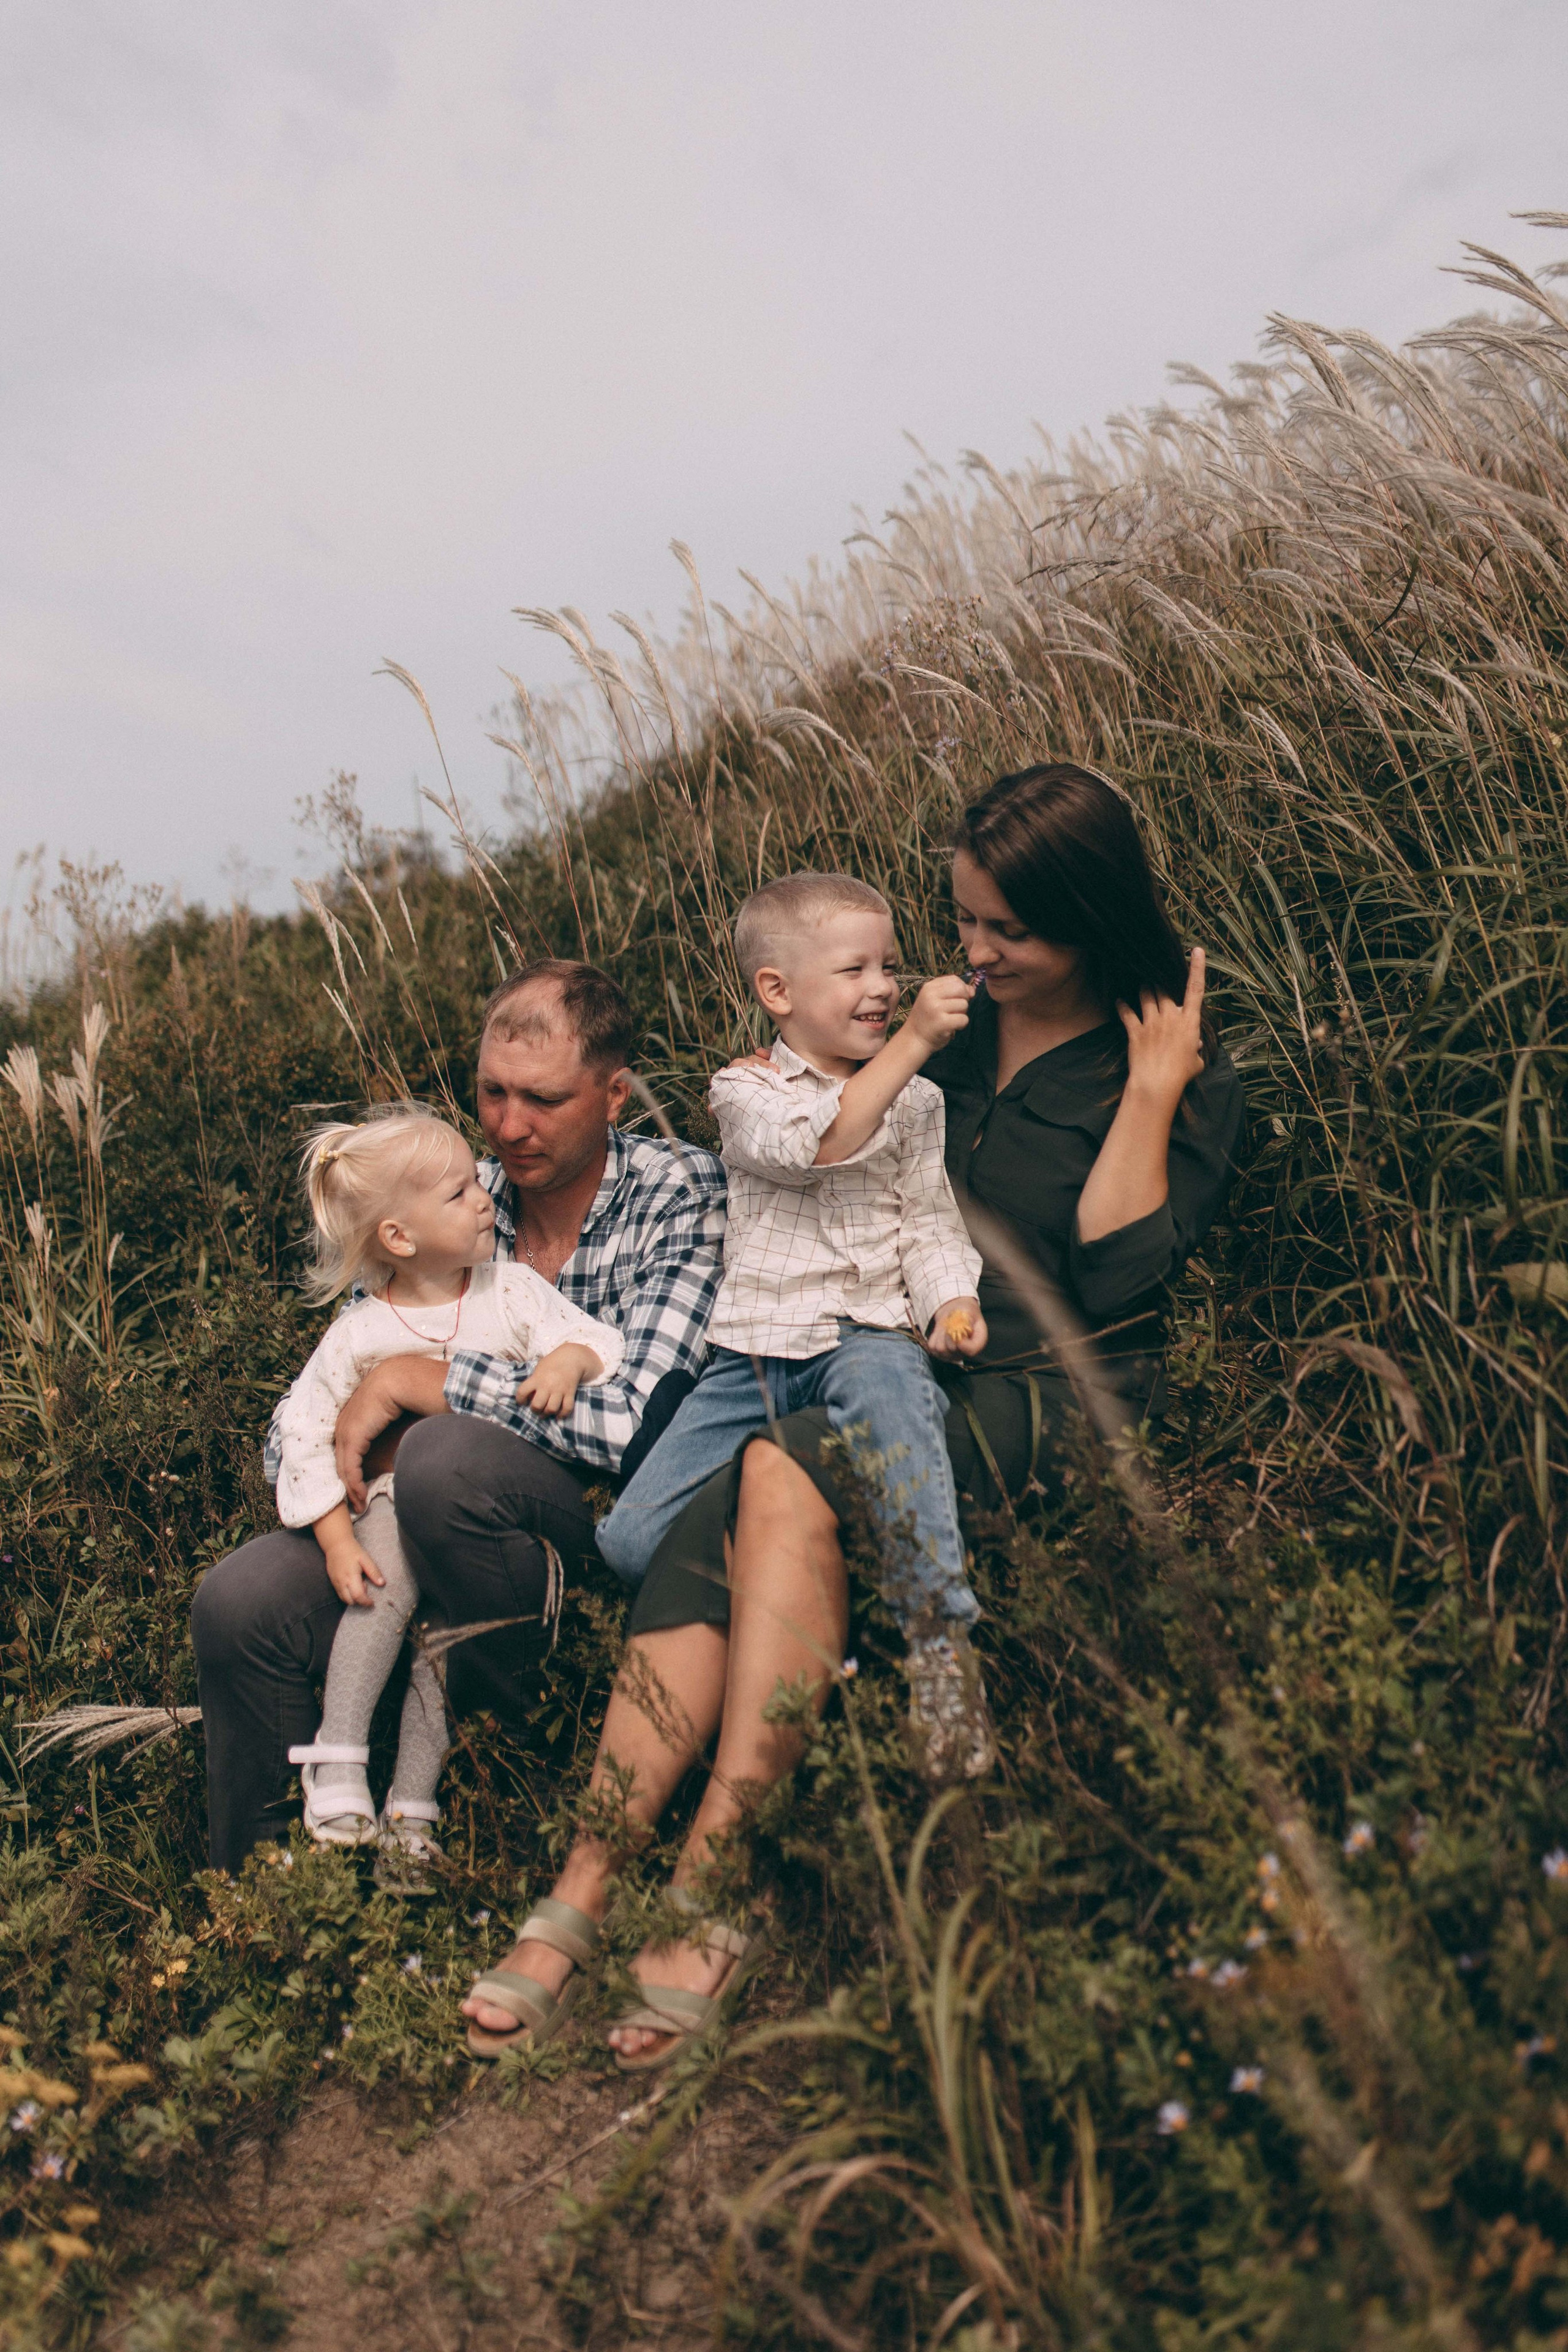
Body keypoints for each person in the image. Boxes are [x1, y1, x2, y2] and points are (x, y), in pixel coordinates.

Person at [459, 763, 1245, 2069]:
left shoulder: (1160, 1062)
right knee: (716, 1494)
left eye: (1007, 929)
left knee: (779, 1471)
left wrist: (1155, 1089)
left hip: (1043, 1391)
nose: (974, 952)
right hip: (878, 1361)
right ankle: (585, 1885)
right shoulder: (921, 1040)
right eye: (965, 921)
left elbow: (1112, 1284)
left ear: (1089, 923)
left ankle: (717, 1881)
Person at [190, 960, 726, 1873]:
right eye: (492, 1092)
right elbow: (307, 1415)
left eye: (544, 1099)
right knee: (237, 1603)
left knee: (441, 1455)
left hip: (572, 1544)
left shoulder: (680, 1194)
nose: (510, 1127)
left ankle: (495, 1818)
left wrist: (422, 1383)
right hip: (395, 1532)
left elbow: (637, 1425)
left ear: (613, 1094)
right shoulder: (445, 1196)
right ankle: (272, 1898)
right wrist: (338, 1490)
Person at [594, 872, 992, 1785]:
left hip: (870, 1336)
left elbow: (928, 1221)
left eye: (889, 967)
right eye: (854, 969)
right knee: (628, 1540)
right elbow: (823, 1144)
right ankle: (792, 1573)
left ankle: (938, 1640)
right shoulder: (745, 1090)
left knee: (900, 1414)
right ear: (778, 991)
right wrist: (919, 1043)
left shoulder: (920, 1102)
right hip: (755, 1355)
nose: (884, 989)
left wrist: (949, 1303)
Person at [270, 1106, 622, 1891]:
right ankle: (338, 1756)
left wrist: (566, 1359)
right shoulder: (359, 1334)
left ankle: (412, 1812)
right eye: (460, 1193)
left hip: (473, 1524)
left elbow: (603, 1342)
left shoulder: (512, 1293)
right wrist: (333, 1538)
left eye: (475, 1184)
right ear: (399, 1238)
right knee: (383, 1569)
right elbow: (303, 1432)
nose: (484, 1199)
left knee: (443, 1643)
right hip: (391, 1518)